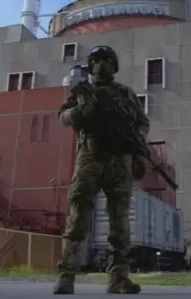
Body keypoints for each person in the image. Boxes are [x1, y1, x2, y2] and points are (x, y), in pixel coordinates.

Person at [54, 45, 149, 295]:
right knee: (78, 214)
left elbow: (142, 124)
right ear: (90, 65)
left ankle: (118, 278)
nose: (102, 64)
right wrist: (82, 110)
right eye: (97, 60)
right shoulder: (83, 91)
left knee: (120, 221)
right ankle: (66, 276)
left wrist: (139, 152)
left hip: (120, 159)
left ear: (114, 65)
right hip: (90, 157)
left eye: (107, 60)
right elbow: (63, 116)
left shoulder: (126, 94)